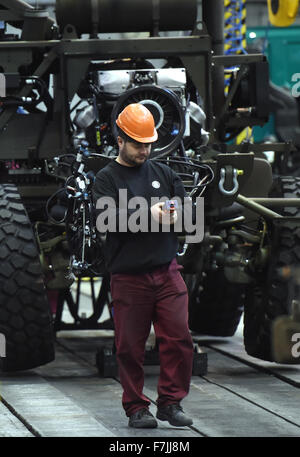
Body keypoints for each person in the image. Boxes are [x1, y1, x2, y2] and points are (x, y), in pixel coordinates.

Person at [92, 103, 194, 429]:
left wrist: (178, 216)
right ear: (119, 140)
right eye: (137, 143)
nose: (144, 150)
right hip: (129, 277)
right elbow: (107, 220)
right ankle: (137, 407)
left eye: (148, 143)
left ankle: (170, 402)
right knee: (129, 347)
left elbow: (189, 214)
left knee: (178, 338)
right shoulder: (106, 180)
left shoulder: (164, 174)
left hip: (166, 272)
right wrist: (150, 215)